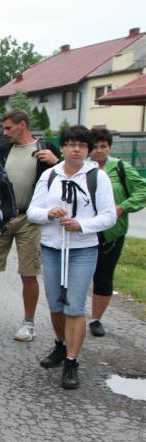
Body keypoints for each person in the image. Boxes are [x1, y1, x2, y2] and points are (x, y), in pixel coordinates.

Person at [27, 125, 116, 389]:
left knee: (74, 306)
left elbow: (109, 216)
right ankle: (61, 345)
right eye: (71, 144)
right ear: (63, 147)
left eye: (82, 145)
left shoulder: (98, 177)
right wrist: (48, 214)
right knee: (56, 304)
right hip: (52, 248)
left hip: (83, 250)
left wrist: (82, 225)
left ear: (87, 150)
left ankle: (71, 361)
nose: (76, 149)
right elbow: (33, 211)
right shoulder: (50, 175)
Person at [0, 110, 60, 340]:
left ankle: (28, 322)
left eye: (9, 128)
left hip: (30, 219)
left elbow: (66, 177)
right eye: (3, 128)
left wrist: (56, 162)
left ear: (22, 125)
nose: (4, 132)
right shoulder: (3, 150)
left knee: (28, 272)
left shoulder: (45, 148)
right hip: (1, 217)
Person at [87, 128, 146, 337]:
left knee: (103, 276)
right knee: (77, 276)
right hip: (83, 232)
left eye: (103, 146)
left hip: (111, 233)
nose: (99, 150)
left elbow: (142, 190)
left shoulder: (121, 168)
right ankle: (72, 315)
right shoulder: (82, 167)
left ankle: (95, 319)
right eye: (95, 146)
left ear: (109, 147)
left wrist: (123, 207)